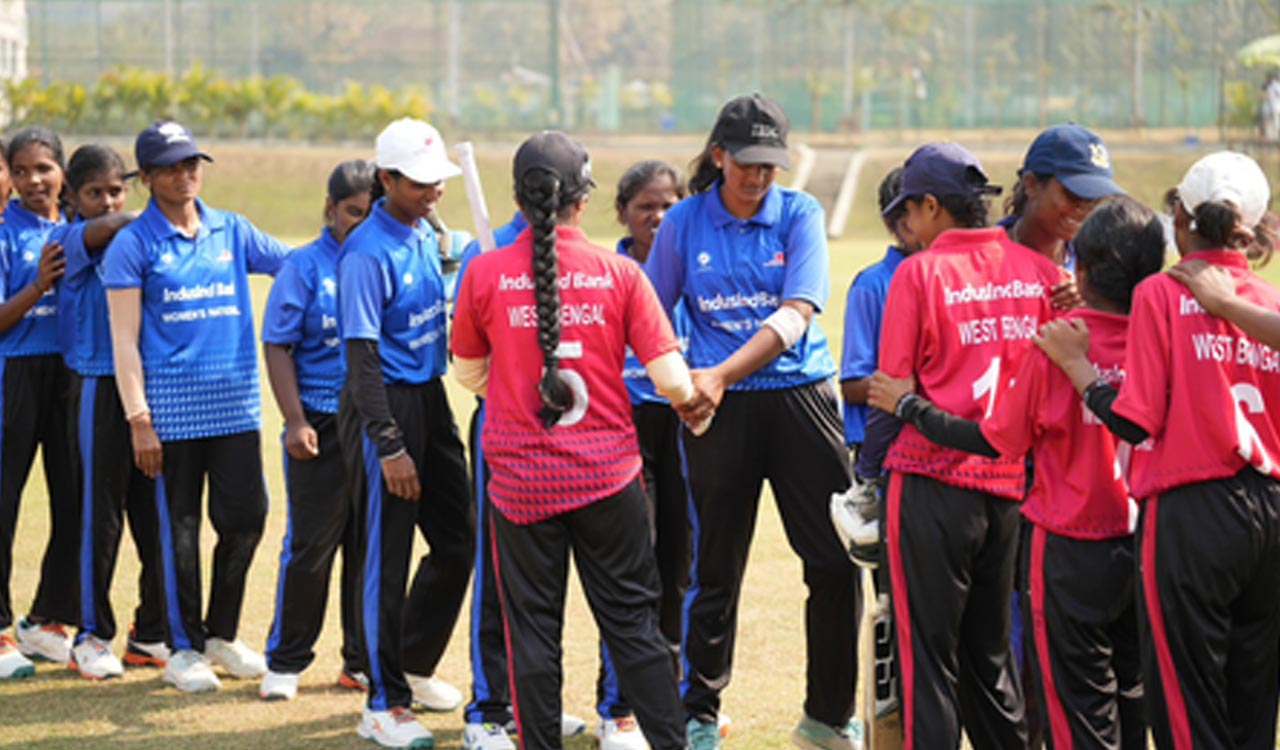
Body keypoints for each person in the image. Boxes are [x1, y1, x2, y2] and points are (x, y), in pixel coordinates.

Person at [867, 195, 1165, 750]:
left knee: (1076, 705)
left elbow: (995, 439)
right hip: (1148, 536)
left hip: (1069, 541)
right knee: (1135, 689)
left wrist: (910, 408)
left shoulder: (1055, 345)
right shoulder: (1161, 337)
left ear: (1082, 269)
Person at [451, 129, 701, 750]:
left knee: (532, 631)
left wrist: (509, 385)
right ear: (583, 202)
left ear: (518, 197)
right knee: (633, 627)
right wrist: (698, 402)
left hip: (520, 486)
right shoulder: (619, 273)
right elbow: (670, 379)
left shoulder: (482, 273)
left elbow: (467, 373)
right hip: (608, 478)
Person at [1034, 151, 1280, 750]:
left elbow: (1136, 423)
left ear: (1179, 215)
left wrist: (1079, 369)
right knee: (1254, 697)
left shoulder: (1160, 295)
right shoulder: (1267, 301)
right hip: (1272, 509)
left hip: (1192, 515)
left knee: (1184, 700)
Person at [643, 93, 862, 750]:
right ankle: (700, 712)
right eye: (748, 164)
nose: (760, 177)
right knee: (715, 567)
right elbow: (652, 313)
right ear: (720, 156)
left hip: (800, 399)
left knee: (832, 561)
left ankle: (827, 716)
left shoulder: (800, 213)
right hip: (717, 413)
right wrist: (684, 382)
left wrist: (718, 374)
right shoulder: (683, 223)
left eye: (771, 165)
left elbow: (797, 315)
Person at [871, 141, 1062, 749]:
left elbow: (889, 388)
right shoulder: (1041, 273)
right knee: (990, 655)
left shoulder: (917, 274)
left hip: (928, 485)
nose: (907, 225)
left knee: (926, 661)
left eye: (910, 212)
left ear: (932, 206)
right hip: (1008, 490)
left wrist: (867, 477)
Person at [104, 120, 289, 693]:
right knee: (177, 533)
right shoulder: (132, 245)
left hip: (235, 409)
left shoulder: (231, 230)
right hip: (170, 417)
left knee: (247, 520)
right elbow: (124, 341)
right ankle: (182, 648)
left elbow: (298, 265)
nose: (185, 175)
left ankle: (220, 635)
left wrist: (353, 243)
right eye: (171, 167)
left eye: (192, 164)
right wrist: (139, 419)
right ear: (147, 178)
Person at [338, 117, 474, 749]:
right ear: (385, 179)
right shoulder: (367, 250)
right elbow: (361, 359)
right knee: (384, 559)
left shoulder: (423, 231)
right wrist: (388, 444)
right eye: (418, 183)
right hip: (383, 406)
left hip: (429, 395)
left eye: (437, 180)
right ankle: (381, 701)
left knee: (459, 538)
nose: (433, 191)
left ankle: (412, 665)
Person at [455, 209, 593, 750]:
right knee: (497, 571)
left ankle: (535, 706)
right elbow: (467, 358)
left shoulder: (578, 253)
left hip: (565, 437)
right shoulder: (486, 256)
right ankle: (489, 709)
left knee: (549, 579)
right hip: (504, 433)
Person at [258, 159, 376, 701]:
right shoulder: (305, 265)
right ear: (331, 209)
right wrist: (295, 420)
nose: (362, 220)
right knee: (311, 546)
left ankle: (362, 662)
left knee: (368, 548)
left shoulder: (382, 257)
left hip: (375, 423)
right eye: (353, 211)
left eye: (372, 210)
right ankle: (286, 659)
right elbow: (278, 343)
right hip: (321, 422)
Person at [57, 144, 171, 681]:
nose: (106, 201)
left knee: (156, 515)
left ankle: (149, 633)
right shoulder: (71, 239)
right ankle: (89, 635)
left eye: (115, 190)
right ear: (72, 199)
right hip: (96, 388)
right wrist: (150, 212)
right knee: (99, 518)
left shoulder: (144, 241)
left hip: (148, 392)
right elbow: (104, 229)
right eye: (94, 193)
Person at [591, 159, 691, 750]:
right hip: (624, 425)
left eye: (669, 205)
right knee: (636, 569)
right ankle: (618, 708)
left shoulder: (691, 265)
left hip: (683, 421)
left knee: (680, 566)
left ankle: (669, 698)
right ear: (622, 212)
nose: (658, 216)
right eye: (646, 206)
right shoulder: (608, 271)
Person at [0, 127, 77, 679]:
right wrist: (38, 285)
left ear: (62, 173)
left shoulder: (78, 231)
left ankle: (47, 618)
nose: (33, 180)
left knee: (74, 499)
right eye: (21, 170)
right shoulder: (5, 232)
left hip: (72, 375)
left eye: (43, 168)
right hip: (17, 374)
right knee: (3, 504)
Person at [1002, 123, 1123, 311]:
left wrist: (1094, 300)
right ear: (1032, 184)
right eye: (1073, 195)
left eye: (1094, 199)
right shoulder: (985, 258)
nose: (1083, 209)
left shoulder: (1099, 262)